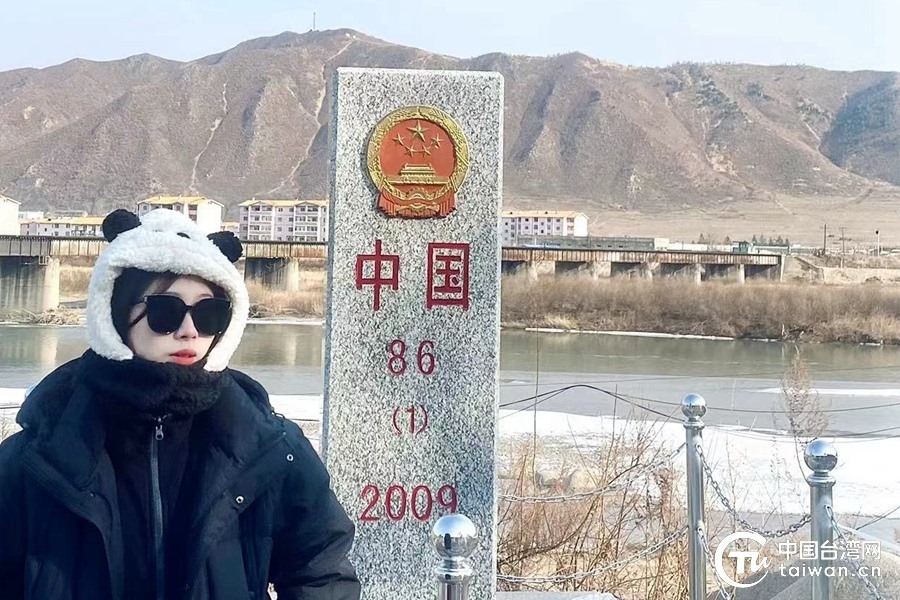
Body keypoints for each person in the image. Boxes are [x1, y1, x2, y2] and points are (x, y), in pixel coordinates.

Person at [0, 208, 361, 600]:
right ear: (116, 313)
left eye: (209, 314)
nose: (189, 331)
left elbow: (322, 570)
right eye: (165, 312)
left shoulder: (267, 446)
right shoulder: (39, 454)